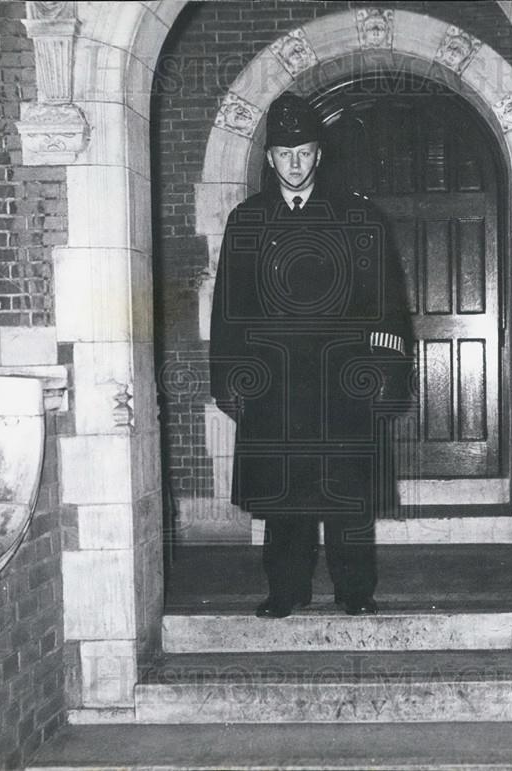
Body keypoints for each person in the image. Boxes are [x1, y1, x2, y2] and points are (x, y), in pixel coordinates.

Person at [209, 92, 414, 618]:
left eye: (303, 152)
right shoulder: (248, 221)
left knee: (347, 493)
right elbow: (228, 307)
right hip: (276, 384)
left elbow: (387, 305)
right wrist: (230, 377)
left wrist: (384, 376)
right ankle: (286, 590)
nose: (294, 164)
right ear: (269, 158)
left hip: (342, 381)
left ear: (319, 154)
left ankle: (354, 591)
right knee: (284, 497)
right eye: (284, 154)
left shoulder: (356, 217)